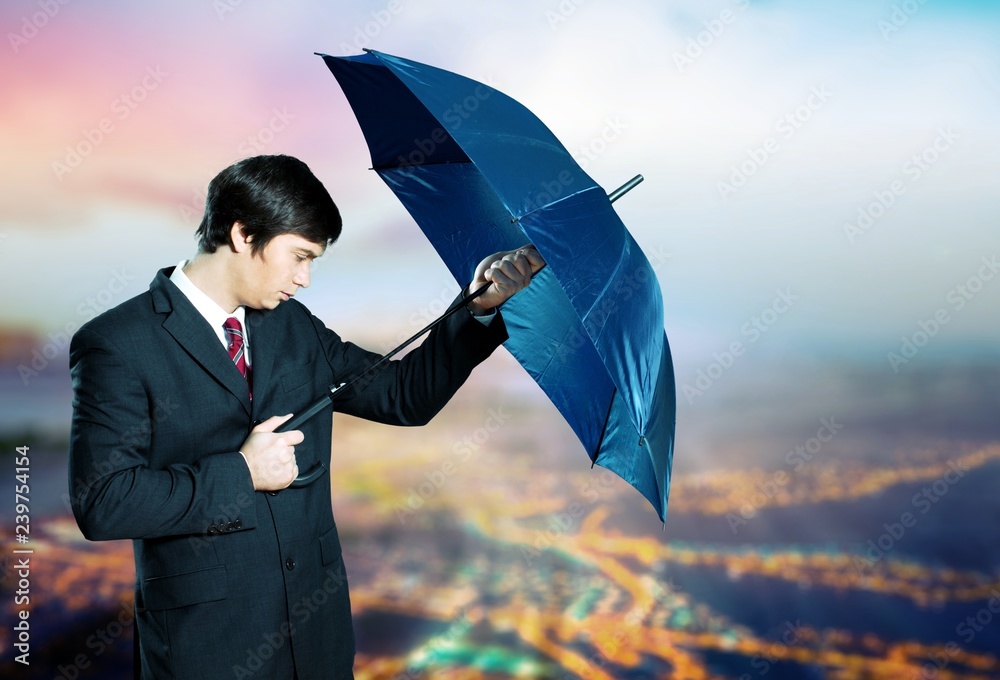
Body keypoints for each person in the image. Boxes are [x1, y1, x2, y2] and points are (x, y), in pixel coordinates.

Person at [68, 154, 544, 679]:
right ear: (244, 234)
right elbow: (103, 502)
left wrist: (479, 307)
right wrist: (243, 473)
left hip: (317, 639)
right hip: (207, 649)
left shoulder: (291, 324)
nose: (305, 278)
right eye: (299, 257)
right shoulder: (117, 343)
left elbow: (405, 396)